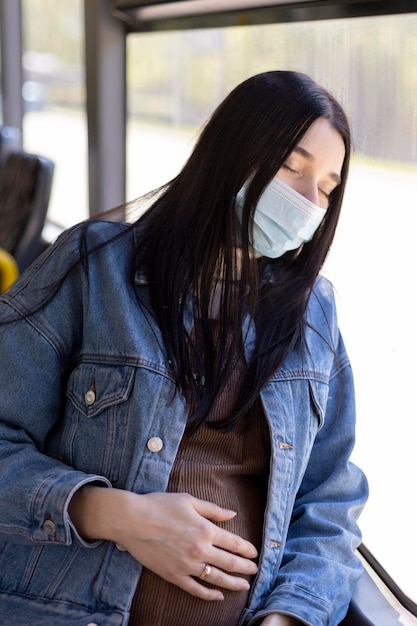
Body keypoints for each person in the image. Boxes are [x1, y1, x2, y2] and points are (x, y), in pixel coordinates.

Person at [0, 70, 368, 626]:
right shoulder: (94, 268)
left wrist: (289, 617)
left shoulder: (314, 313)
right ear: (230, 152)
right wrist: (114, 514)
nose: (307, 200)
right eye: (291, 166)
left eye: (326, 186)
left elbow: (329, 501)